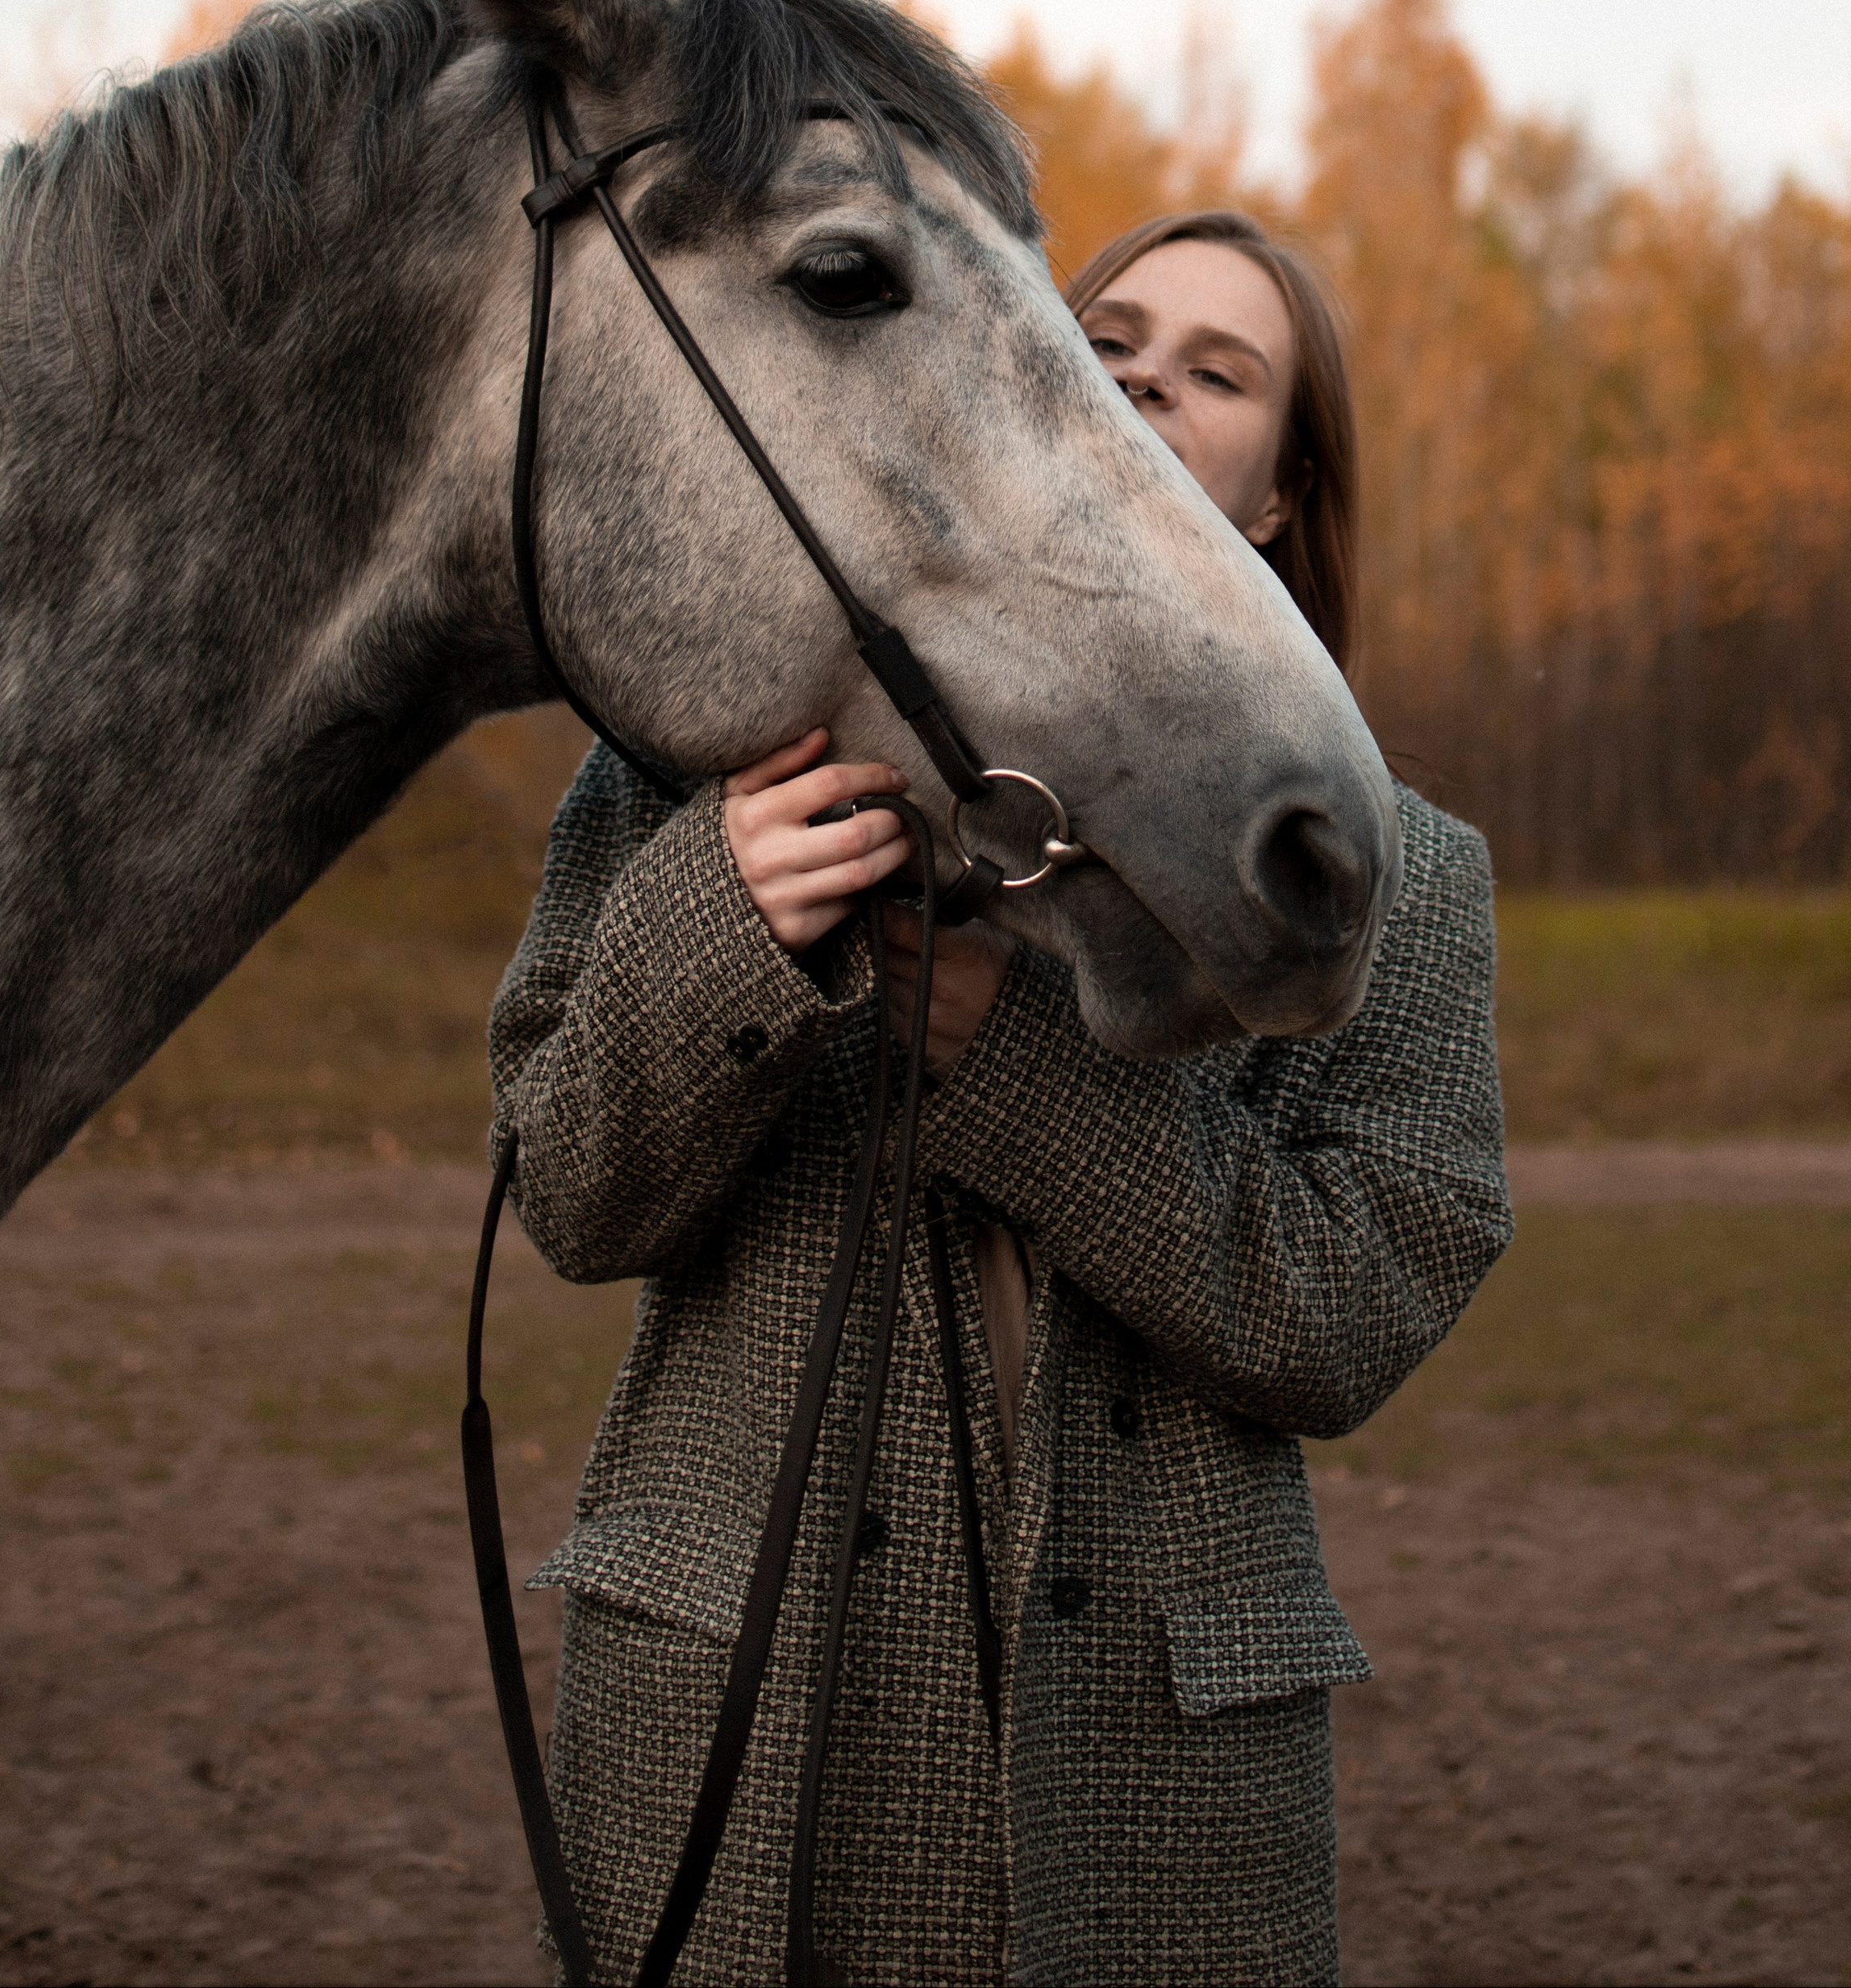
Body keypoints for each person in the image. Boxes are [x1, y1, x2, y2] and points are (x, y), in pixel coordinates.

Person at [489, 206, 1510, 1988]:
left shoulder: (1386, 868)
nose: (1140, 380)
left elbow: (1350, 1314)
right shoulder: (706, 746)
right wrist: (717, 918)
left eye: (1214, 371)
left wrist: (1017, 1066)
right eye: (1099, 340)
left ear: (1277, 490)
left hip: (1161, 1783)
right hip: (733, 1698)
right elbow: (570, 1194)